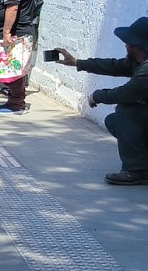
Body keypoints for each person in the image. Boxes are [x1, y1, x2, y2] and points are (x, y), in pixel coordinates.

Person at [52, 17, 148, 184]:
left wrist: (98, 95)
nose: (125, 45)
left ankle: (136, 170)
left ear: (136, 46)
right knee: (114, 121)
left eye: (127, 42)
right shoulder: (139, 62)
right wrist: (77, 63)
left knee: (127, 111)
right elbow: (114, 66)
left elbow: (127, 93)